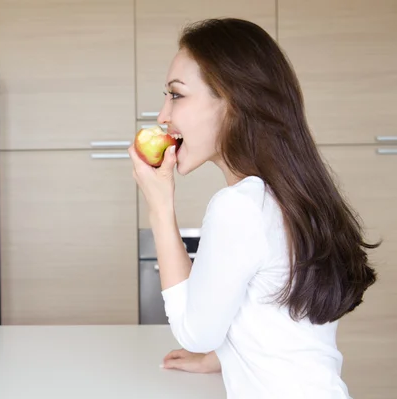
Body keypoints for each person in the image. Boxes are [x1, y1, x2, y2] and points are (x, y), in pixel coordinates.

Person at [128, 18, 380, 399]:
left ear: (232, 101)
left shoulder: (238, 207)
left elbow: (194, 332)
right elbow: (274, 316)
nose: (163, 116)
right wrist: (224, 355)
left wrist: (160, 207)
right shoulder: (283, 195)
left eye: (176, 95)